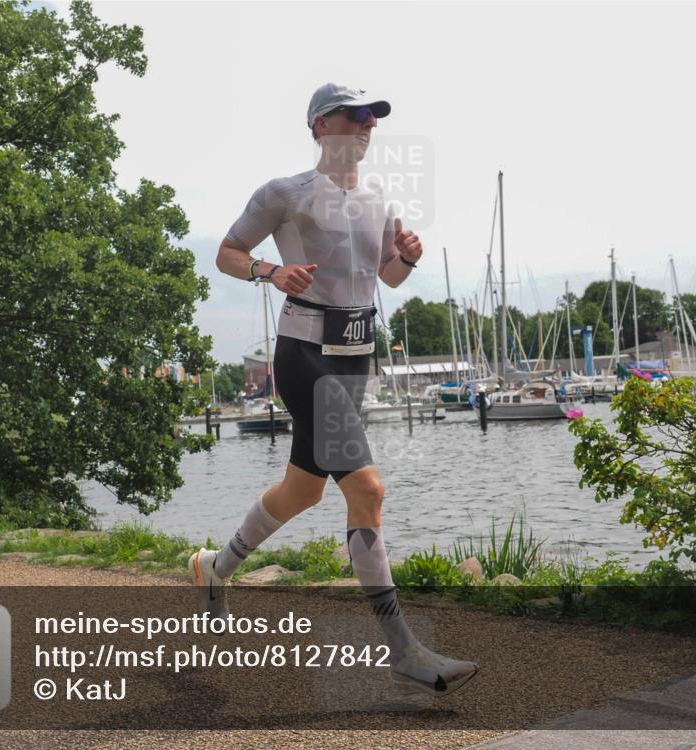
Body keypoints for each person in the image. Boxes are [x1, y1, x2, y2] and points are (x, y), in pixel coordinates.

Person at [189, 83, 479, 697]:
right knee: (367, 489)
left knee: (303, 491)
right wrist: (271, 271)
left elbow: (386, 278)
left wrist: (408, 256)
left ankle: (215, 568)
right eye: (355, 115)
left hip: (355, 358)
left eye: (373, 117)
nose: (368, 125)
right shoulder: (284, 193)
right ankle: (404, 651)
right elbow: (227, 253)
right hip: (303, 354)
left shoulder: (379, 200)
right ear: (321, 124)